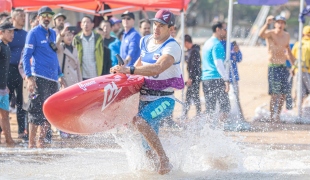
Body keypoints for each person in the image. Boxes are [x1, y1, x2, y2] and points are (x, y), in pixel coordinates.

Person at [110, 9, 184, 175]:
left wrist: (129, 69)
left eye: (161, 26)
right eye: (155, 24)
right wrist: (121, 73)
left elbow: (157, 67)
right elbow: (139, 65)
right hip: (144, 98)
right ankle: (157, 172)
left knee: (139, 121)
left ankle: (165, 159)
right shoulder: (145, 41)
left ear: (171, 28)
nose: (156, 29)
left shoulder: (172, 47)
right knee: (146, 148)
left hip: (164, 100)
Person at [22, 6, 66, 148]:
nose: (47, 17)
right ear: (39, 17)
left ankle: (41, 143)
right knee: (35, 111)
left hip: (53, 79)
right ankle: (31, 144)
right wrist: (29, 77)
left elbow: (54, 56)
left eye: (49, 15)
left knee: (49, 111)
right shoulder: (33, 33)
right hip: (38, 77)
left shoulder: (53, 33)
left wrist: (60, 74)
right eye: (44, 15)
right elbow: (26, 56)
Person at [259, 15, 295, 123]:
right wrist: (266, 23)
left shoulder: (287, 35)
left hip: (283, 66)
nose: (280, 24)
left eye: (282, 22)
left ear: (284, 24)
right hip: (273, 66)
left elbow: (288, 50)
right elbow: (261, 35)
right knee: (274, 94)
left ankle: (277, 116)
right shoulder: (270, 33)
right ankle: (271, 116)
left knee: (283, 93)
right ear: (275, 24)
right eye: (278, 22)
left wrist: (293, 66)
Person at [201, 22, 230, 123]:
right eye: (225, 29)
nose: (226, 32)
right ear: (218, 29)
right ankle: (220, 129)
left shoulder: (207, 43)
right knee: (225, 108)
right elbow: (218, 64)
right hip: (216, 78)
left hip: (206, 79)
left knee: (210, 108)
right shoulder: (217, 44)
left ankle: (209, 130)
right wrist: (226, 79)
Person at [7, 9, 28, 139]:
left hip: (22, 71)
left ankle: (21, 131)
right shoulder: (8, 33)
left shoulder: (27, 34)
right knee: (5, 101)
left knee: (21, 102)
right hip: (9, 69)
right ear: (13, 18)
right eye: (20, 16)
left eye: (23, 16)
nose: (23, 18)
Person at [0, 22, 15, 147]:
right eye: (9, 31)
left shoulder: (7, 47)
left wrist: (5, 85)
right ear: (1, 32)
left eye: (13, 32)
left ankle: (9, 140)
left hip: (3, 88)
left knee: (5, 114)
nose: (12, 34)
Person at [291, 26, 310, 111]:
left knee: (300, 92)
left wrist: (293, 68)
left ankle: (298, 110)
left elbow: (293, 57)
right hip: (308, 71)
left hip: (298, 70)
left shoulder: (298, 44)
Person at [183, 34, 201, 118]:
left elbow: (193, 66)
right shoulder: (191, 51)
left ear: (186, 42)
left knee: (193, 95)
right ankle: (187, 113)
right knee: (190, 95)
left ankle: (197, 113)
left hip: (194, 77)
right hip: (194, 77)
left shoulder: (193, 51)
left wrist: (191, 78)